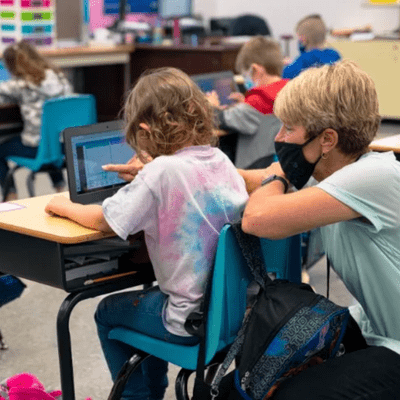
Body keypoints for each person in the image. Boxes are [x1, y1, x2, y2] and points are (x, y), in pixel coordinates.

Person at [45, 67, 249, 400]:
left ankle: (138, 397)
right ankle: (155, 389)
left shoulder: (161, 171)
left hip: (187, 320)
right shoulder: (222, 160)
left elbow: (104, 222)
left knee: (106, 314)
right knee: (150, 295)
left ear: (143, 130)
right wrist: (144, 180)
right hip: (231, 315)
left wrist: (60, 205)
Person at [239, 60, 400, 399]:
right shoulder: (337, 174)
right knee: (258, 375)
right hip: (381, 328)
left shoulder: (373, 178)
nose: (279, 138)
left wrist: (277, 172)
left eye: (288, 128)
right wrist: (167, 173)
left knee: (291, 395)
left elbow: (259, 218)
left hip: (396, 344)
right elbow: (254, 180)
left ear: (327, 139)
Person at [0, 40, 73, 201]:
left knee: (2, 149)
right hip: (64, 147)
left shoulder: (22, 84)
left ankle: (11, 197)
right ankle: (60, 187)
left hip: (38, 148)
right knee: (51, 138)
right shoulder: (60, 78)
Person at [206, 36, 289, 169]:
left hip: (253, 172)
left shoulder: (258, 101)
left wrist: (211, 106)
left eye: (246, 75)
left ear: (255, 70)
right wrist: (245, 103)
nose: (246, 80)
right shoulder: (290, 91)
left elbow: (219, 119)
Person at [282, 14, 341, 79]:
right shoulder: (335, 55)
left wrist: (285, 65)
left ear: (303, 39)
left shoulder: (303, 60)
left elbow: (285, 75)